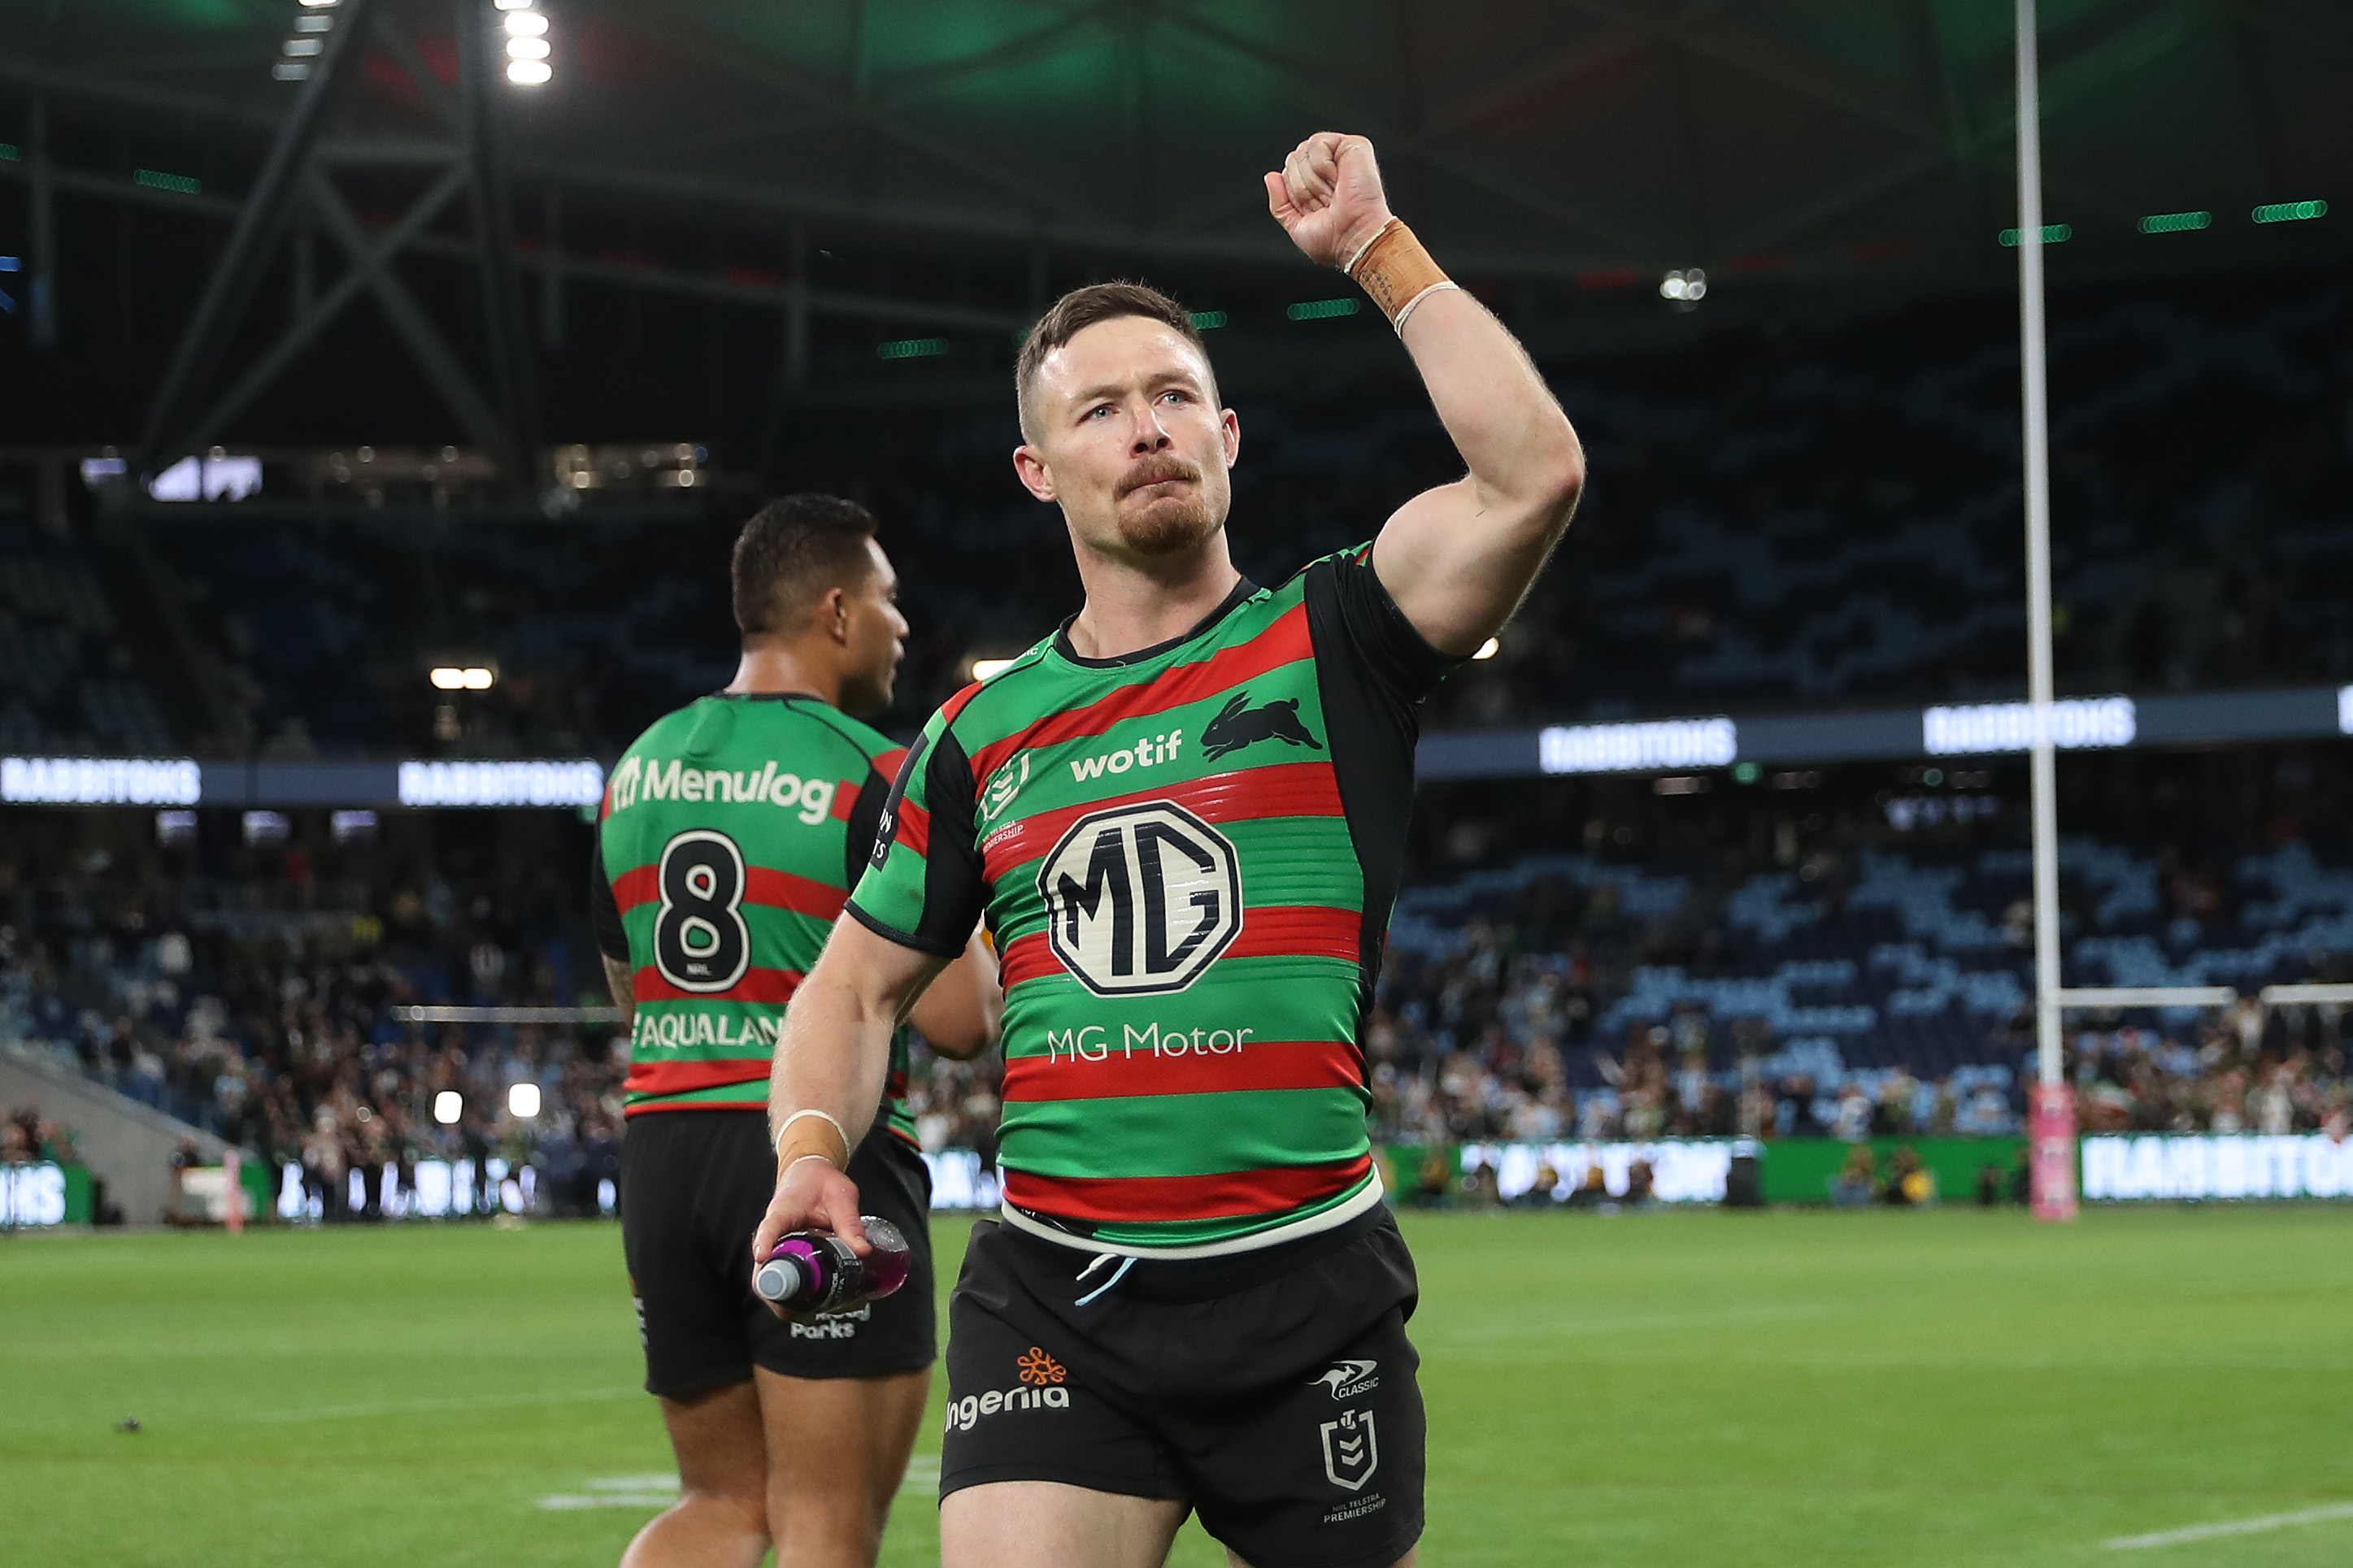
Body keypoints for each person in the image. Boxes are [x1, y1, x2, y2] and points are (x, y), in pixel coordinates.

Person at [756, 131, 1583, 1568]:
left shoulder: (1332, 640)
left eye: (1174, 397)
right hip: (1058, 1301)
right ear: (1035, 467)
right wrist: (811, 1152)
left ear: (1226, 437)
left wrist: (1377, 254)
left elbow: (1530, 478)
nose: (1145, 427)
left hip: (1306, 1286)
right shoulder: (976, 735)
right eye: (1100, 410)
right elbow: (849, 990)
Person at [591, 495, 1003, 1568]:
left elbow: (629, 989)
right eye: (887, 602)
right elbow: (964, 1021)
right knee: (827, 1522)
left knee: (723, 1501)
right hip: (819, 1156)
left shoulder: (638, 766)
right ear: (834, 611)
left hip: (665, 1151)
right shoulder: (876, 769)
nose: (902, 627)